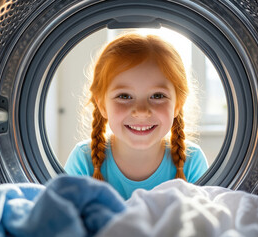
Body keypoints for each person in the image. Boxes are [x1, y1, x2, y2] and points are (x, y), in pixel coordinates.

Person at [65, 33, 208, 199]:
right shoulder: (83, 159)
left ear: (178, 104)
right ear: (102, 105)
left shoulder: (192, 161)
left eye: (157, 96)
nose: (141, 111)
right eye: (124, 96)